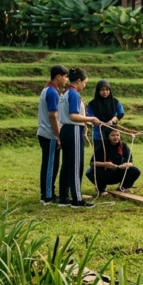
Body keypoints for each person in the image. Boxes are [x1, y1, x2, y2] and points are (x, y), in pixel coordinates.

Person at [57, 68, 102, 208]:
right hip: (73, 129)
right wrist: (91, 119)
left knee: (67, 164)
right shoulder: (74, 94)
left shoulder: (65, 93)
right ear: (78, 81)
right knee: (76, 165)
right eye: (85, 82)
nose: (85, 85)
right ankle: (77, 198)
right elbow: (73, 116)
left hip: (65, 129)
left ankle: (64, 197)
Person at [37, 65, 67, 204]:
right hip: (50, 134)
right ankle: (47, 195)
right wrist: (59, 135)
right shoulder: (52, 92)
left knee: (50, 164)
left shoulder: (47, 89)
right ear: (58, 76)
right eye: (65, 76)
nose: (66, 80)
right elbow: (53, 115)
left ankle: (48, 192)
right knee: (50, 165)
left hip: (46, 132)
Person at [86, 127, 141, 192]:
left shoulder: (123, 146)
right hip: (106, 173)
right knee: (90, 172)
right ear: (108, 137)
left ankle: (123, 187)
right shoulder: (103, 146)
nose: (116, 137)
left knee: (135, 171)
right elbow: (92, 163)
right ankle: (102, 189)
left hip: (119, 172)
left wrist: (126, 165)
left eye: (117, 135)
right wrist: (106, 164)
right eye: (113, 135)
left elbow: (130, 162)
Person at [86, 80, 125, 144]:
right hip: (98, 134)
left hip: (112, 134)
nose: (105, 92)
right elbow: (91, 117)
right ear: (98, 91)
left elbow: (121, 113)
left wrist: (111, 121)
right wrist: (101, 123)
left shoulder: (115, 102)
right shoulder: (92, 104)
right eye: (102, 90)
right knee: (99, 153)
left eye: (107, 89)